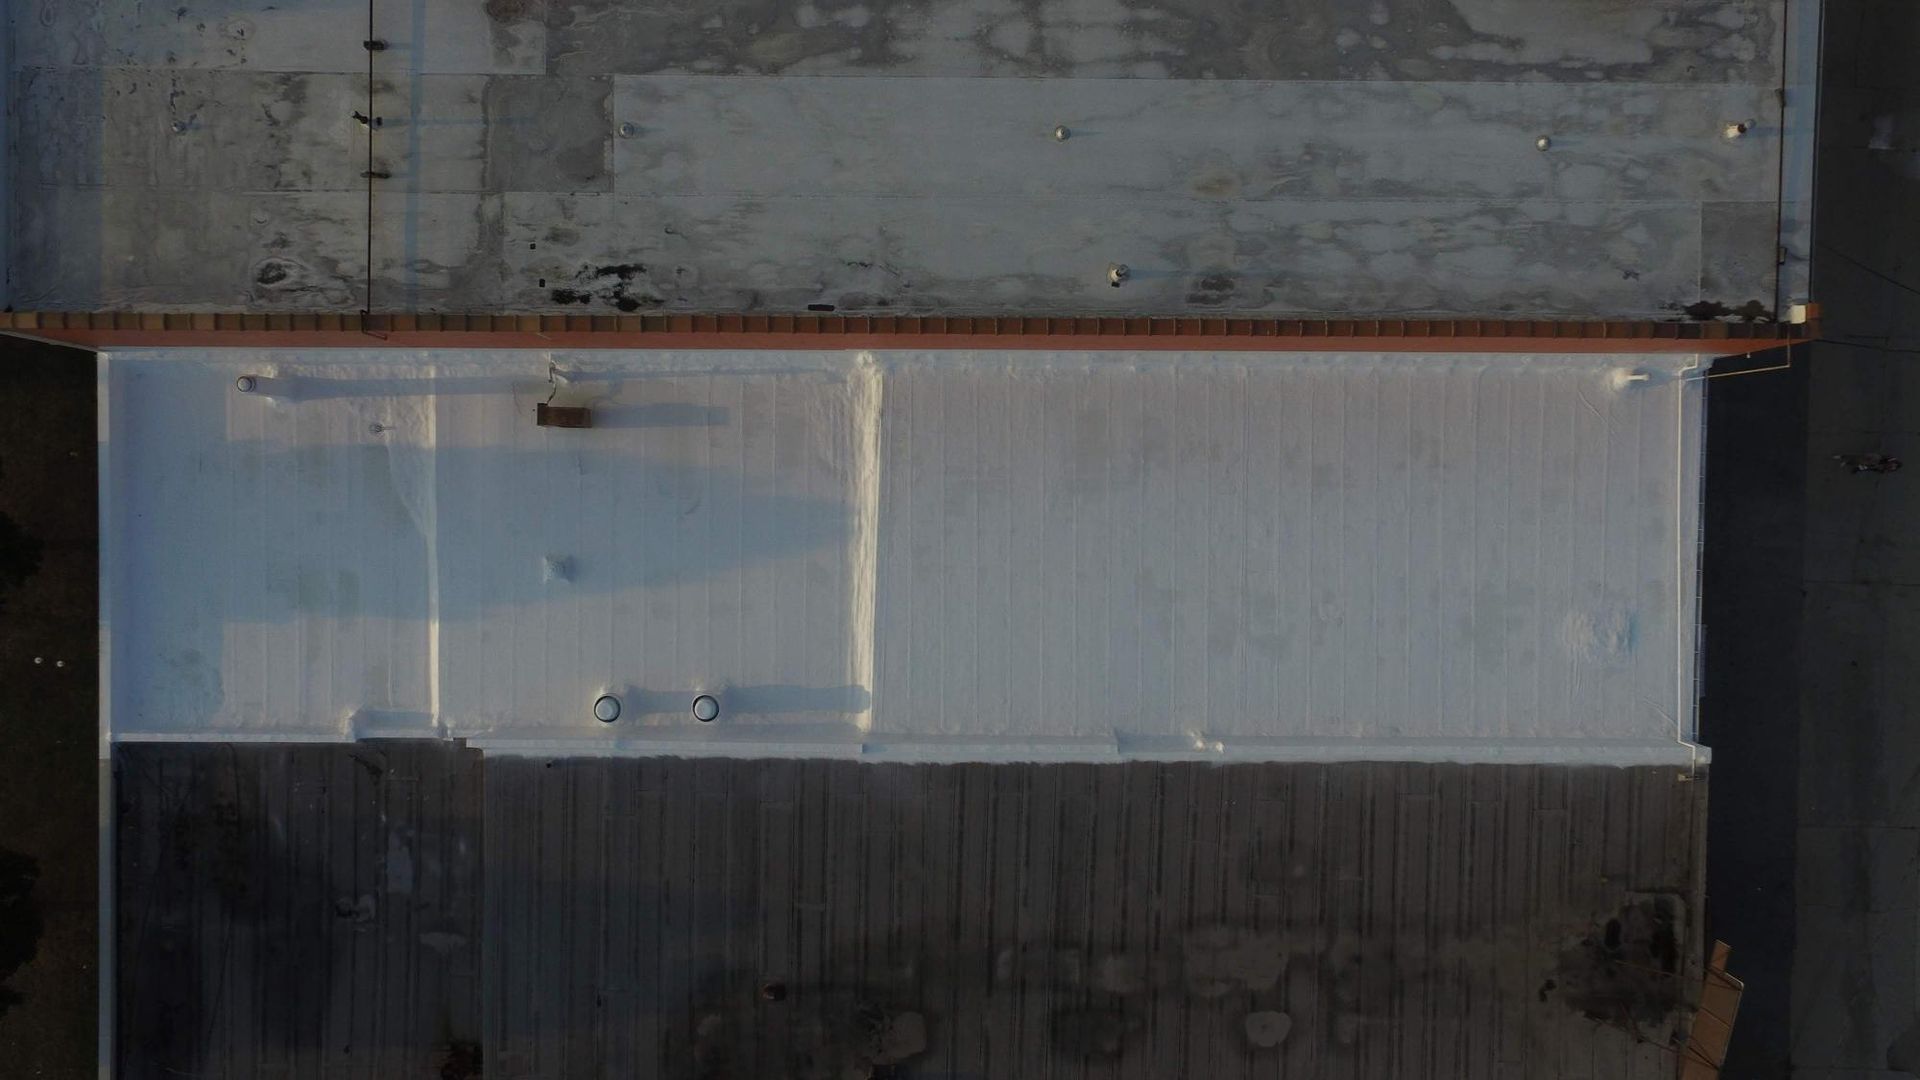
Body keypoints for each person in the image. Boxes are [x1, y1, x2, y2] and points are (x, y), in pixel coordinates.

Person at [1834, 453, 1903, 474]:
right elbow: (1884, 458)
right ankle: (1842, 457)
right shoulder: (1892, 459)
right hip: (1876, 459)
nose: (1892, 466)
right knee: (1859, 457)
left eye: (1894, 466)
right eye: (1893, 464)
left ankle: (1847, 463)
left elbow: (1883, 471)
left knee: (1862, 464)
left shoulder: (1892, 468)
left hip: (1876, 464)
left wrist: (1881, 469)